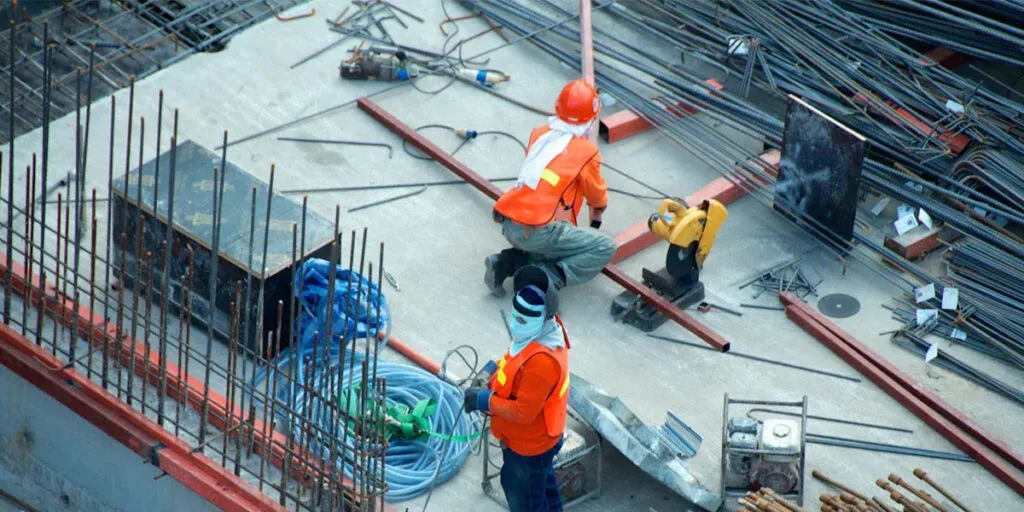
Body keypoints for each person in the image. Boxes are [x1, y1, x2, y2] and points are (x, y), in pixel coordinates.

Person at [484, 79, 617, 297]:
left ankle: (504, 263)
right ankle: (547, 277)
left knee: (552, 241)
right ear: (591, 119)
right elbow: (596, 194)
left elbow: (547, 177)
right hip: (537, 231)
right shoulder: (586, 152)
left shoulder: (540, 133)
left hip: (509, 221)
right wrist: (599, 208)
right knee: (603, 247)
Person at [464, 266, 571, 512]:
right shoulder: (537, 334)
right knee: (543, 488)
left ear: (543, 316)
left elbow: (523, 412)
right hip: (536, 440)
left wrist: (484, 400)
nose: (516, 323)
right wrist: (491, 370)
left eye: (523, 319)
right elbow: (513, 365)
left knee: (524, 498)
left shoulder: (542, 362)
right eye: (515, 316)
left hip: (530, 446)